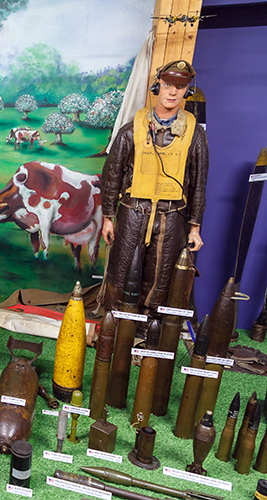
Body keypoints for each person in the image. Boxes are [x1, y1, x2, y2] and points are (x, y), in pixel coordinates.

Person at [100, 60, 208, 318]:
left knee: (161, 277)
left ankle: (149, 325)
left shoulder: (195, 136)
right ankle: (114, 324)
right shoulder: (131, 131)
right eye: (168, 84)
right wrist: (108, 218)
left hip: (172, 216)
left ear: (187, 90)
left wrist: (195, 227)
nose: (173, 92)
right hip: (133, 212)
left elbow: (198, 183)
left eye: (180, 86)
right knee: (121, 271)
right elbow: (112, 175)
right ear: (157, 85)